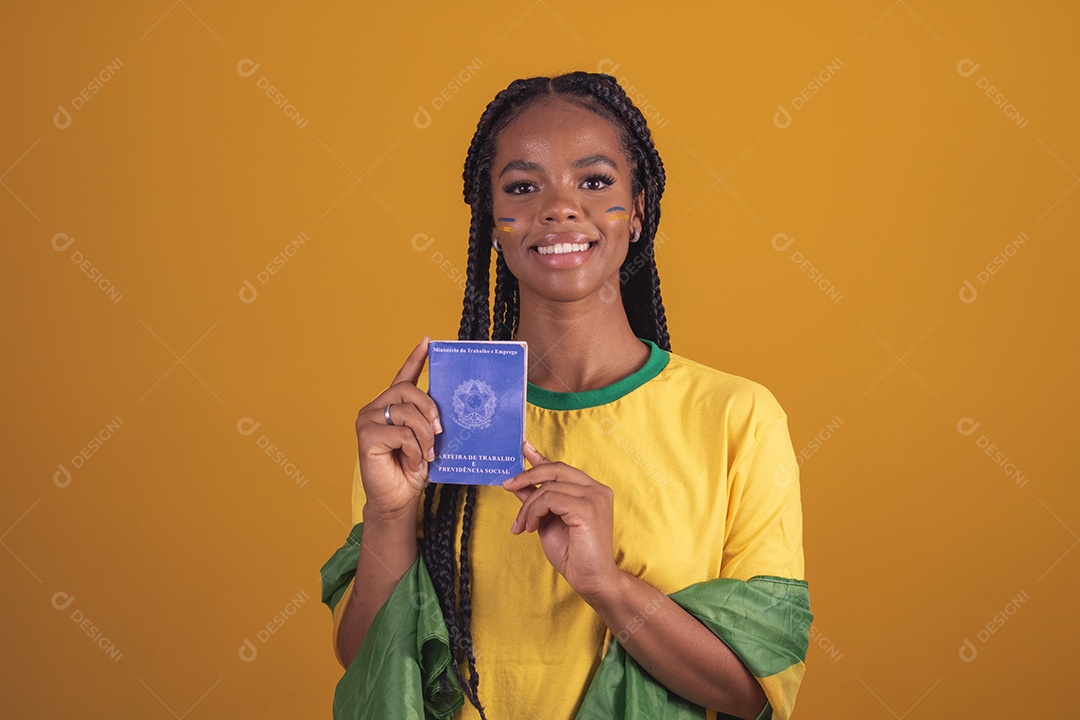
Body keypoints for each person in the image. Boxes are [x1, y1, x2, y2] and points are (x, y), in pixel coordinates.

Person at [320, 71, 811, 720]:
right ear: (493, 222)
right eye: (523, 187)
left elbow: (755, 693)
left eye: (595, 181)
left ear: (637, 211)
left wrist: (604, 583)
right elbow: (366, 660)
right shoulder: (426, 421)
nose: (559, 207)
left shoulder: (737, 417)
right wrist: (389, 517)